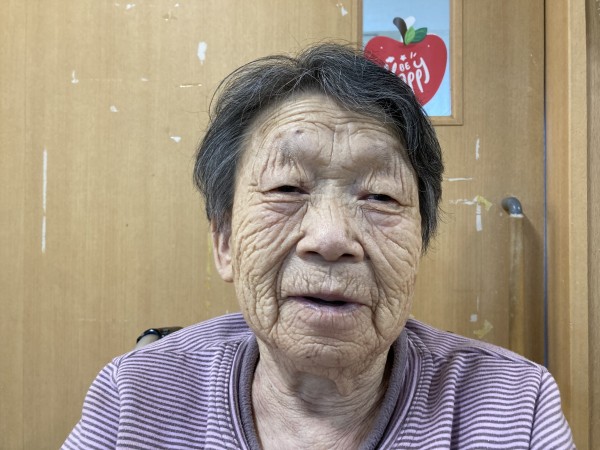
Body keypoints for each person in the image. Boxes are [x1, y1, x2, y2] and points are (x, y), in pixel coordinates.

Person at [63, 43, 574, 449]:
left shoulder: (513, 408)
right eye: (287, 188)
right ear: (224, 241)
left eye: (380, 196)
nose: (331, 239)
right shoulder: (136, 396)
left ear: (419, 244)